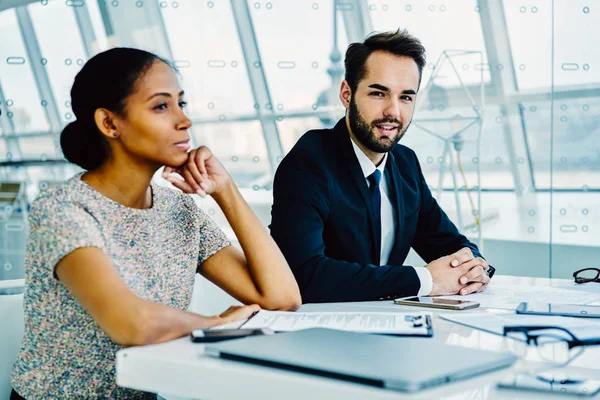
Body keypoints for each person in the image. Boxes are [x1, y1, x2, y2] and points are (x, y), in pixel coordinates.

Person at [10, 48, 300, 400]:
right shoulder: (63, 210)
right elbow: (133, 325)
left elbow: (281, 299)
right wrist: (214, 324)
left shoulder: (179, 209)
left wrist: (225, 190)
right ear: (109, 123)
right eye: (161, 106)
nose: (184, 121)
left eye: (182, 103)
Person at [269, 30, 494, 303]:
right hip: (320, 331)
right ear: (346, 94)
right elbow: (302, 274)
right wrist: (425, 280)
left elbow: (451, 243)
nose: (393, 111)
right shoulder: (309, 162)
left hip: (389, 324)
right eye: (379, 93)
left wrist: (475, 267)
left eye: (406, 97)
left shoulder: (406, 163)